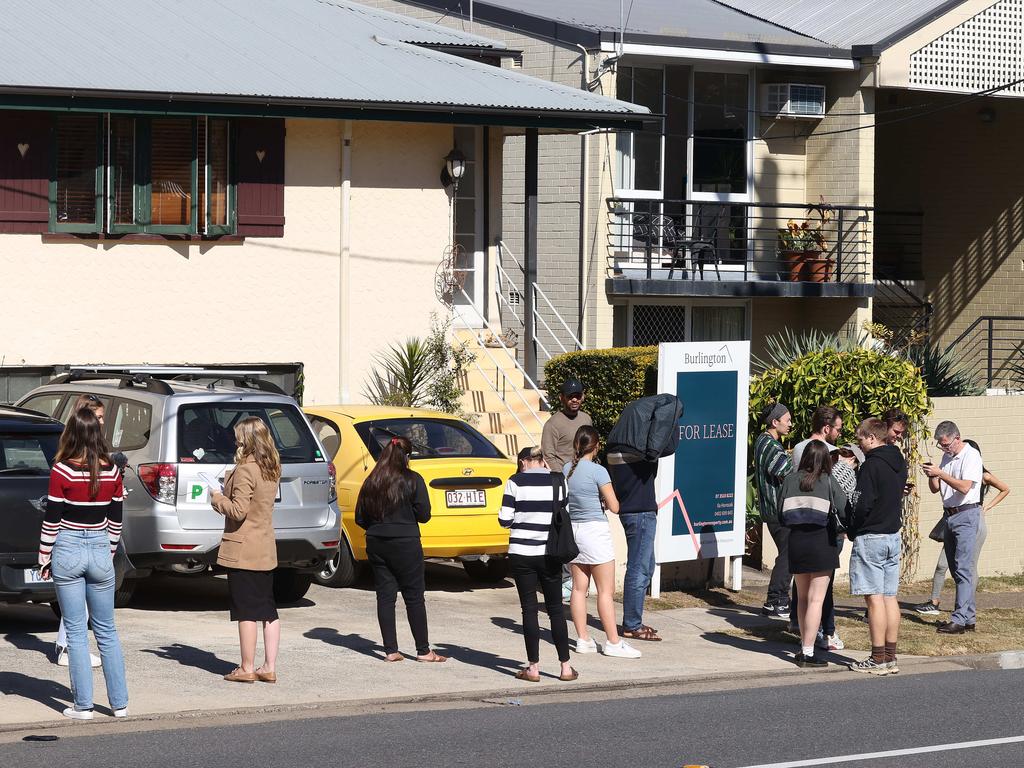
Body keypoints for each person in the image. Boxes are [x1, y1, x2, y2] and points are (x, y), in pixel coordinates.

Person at [39, 407, 128, 719]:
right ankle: (120, 705)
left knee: (76, 631)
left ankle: (83, 706)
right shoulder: (112, 471)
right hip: (101, 547)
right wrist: (109, 550)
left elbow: (52, 518)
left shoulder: (62, 471)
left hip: (68, 546)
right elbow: (116, 519)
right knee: (107, 631)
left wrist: (43, 556)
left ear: (72, 433)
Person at [355, 436, 446, 663]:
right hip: (406, 541)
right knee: (414, 596)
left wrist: (379, 527)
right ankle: (423, 650)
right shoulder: (413, 479)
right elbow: (424, 515)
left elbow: (360, 517)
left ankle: (391, 650)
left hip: (376, 541)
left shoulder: (372, 480)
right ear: (407, 457)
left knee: (385, 596)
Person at [207, 416, 283, 683]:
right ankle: (269, 666)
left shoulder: (246, 470)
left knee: (246, 611)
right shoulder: (272, 467)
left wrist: (217, 498)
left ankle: (247, 667)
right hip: (264, 545)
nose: (235, 440)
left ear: (246, 440)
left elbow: (238, 511)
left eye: (239, 436)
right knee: (268, 610)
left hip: (243, 549)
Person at [499, 446, 577, 682]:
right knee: (555, 610)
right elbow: (562, 509)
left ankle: (533, 668)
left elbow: (504, 520)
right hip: (550, 552)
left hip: (522, 554)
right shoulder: (559, 481)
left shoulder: (514, 482)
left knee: (529, 609)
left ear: (523, 462)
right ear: (542, 460)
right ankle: (565, 667)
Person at [563, 425, 640, 658]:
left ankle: (583, 639)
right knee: (605, 592)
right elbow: (615, 506)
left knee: (578, 588)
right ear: (596, 446)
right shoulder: (599, 471)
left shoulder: (568, 469)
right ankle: (613, 643)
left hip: (574, 530)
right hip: (595, 531)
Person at [916, 439, 1009, 616]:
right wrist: (935, 475)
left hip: (972, 520)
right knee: (944, 564)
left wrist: (987, 506)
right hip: (954, 518)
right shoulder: (955, 469)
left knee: (968, 567)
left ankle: (965, 609)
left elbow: (1005, 489)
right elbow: (938, 489)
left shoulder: (984, 475)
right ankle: (935, 602)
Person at [777, 440, 847, 668]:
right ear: (826, 459)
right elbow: (844, 507)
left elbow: (780, 512)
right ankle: (808, 652)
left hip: (797, 541)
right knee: (817, 599)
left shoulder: (789, 480)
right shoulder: (828, 480)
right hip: (822, 542)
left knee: (803, 597)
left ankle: (802, 648)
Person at [847, 418, 907, 675]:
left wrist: (852, 527)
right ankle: (890, 656)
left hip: (871, 535)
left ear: (872, 437)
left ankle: (878, 657)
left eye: (861, 439)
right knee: (890, 596)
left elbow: (861, 503)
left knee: (874, 599)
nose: (860, 445)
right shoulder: (898, 460)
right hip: (892, 534)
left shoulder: (871, 466)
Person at [54, 394, 106, 668]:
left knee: (82, 599)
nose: (101, 423)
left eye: (101, 418)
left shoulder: (91, 452)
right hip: (80, 536)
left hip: (94, 535)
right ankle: (67, 648)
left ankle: (67, 646)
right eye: (97, 418)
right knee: (78, 601)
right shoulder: (71, 460)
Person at [921, 421, 985, 634]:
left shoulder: (971, 455)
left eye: (946, 444)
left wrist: (941, 473)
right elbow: (935, 489)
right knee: (957, 568)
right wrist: (933, 476)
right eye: (941, 445)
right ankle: (969, 618)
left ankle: (959, 620)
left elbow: (965, 486)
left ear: (957, 438)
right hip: (949, 515)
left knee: (963, 567)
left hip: (966, 514)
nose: (944, 448)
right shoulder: (946, 457)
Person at [541, 378, 593, 599]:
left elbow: (589, 445)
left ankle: (580, 579)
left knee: (584, 528)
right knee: (565, 531)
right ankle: (565, 580)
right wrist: (561, 476)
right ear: (562, 398)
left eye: (578, 395)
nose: (574, 399)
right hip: (563, 484)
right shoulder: (553, 424)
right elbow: (548, 454)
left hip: (584, 481)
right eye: (570, 396)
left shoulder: (586, 418)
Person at [607, 446, 661, 642]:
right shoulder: (641, 454)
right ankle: (632, 624)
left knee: (645, 567)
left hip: (633, 512)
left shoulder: (616, 451)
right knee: (639, 569)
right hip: (641, 513)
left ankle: (634, 620)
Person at [754, 403, 794, 618]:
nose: (790, 424)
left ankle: (778, 600)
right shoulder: (769, 444)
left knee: (788, 553)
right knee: (789, 553)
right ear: (774, 422)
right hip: (777, 510)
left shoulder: (766, 442)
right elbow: (784, 470)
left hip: (775, 509)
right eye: (787, 420)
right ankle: (776, 600)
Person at [791, 405, 843, 470]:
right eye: (838, 430)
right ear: (827, 429)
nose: (840, 434)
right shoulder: (834, 452)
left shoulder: (797, 447)